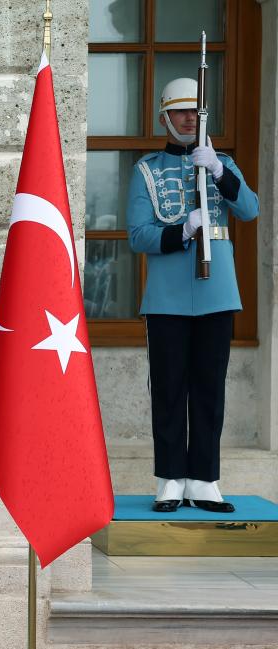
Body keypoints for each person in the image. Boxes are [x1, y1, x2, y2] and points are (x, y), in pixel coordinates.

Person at [126, 78, 259, 513]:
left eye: (194, 112)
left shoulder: (223, 164)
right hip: (167, 296)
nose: (188, 118)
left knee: (208, 389)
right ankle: (170, 478)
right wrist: (181, 230)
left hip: (216, 292)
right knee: (168, 390)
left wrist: (219, 171)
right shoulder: (147, 170)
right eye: (179, 111)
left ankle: (203, 479)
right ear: (164, 118)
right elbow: (138, 235)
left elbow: (250, 210)